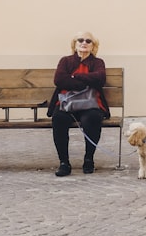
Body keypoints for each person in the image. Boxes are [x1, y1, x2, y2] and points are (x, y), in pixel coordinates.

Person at [47, 32, 109, 176]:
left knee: (92, 118)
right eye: (80, 40)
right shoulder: (66, 61)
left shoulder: (97, 62)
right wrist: (83, 84)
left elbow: (100, 78)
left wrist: (76, 76)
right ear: (74, 44)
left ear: (93, 46)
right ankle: (64, 162)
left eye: (89, 41)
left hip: (90, 103)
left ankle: (89, 159)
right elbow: (60, 80)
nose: (84, 43)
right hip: (66, 103)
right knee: (59, 118)